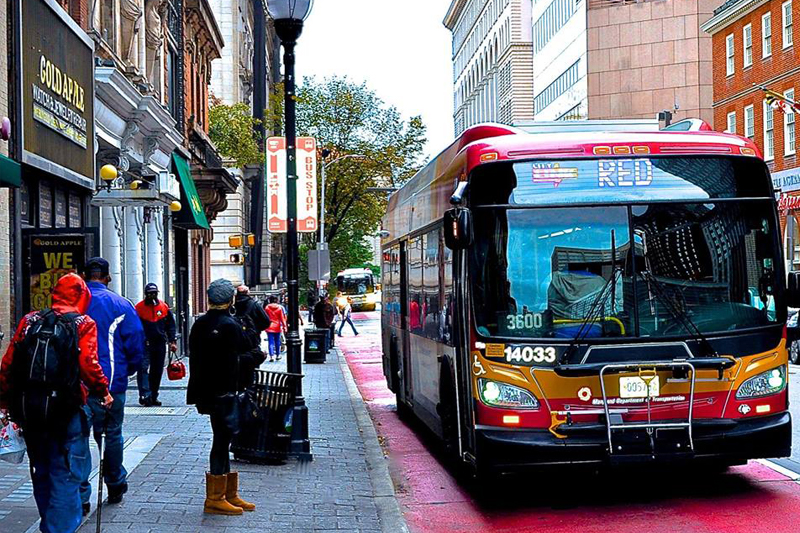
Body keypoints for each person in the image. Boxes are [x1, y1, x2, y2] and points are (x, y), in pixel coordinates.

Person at [0, 273, 112, 533]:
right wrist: (103, 392)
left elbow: (8, 363)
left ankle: (49, 522)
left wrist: (5, 400)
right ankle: (57, 528)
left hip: (31, 410)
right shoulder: (83, 323)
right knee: (66, 473)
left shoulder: (30, 320)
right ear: (82, 295)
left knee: (41, 470)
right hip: (66, 410)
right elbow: (89, 365)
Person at [80, 258, 146, 512]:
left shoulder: (74, 304)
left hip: (77, 385)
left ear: (84, 276)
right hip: (110, 383)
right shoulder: (121, 304)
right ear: (107, 277)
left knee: (78, 438)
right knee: (111, 434)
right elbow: (136, 343)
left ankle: (81, 494)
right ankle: (115, 483)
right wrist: (127, 371)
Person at [187, 279, 256, 515]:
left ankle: (228, 493)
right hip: (225, 391)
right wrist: (256, 357)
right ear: (231, 300)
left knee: (223, 438)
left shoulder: (199, 324)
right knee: (222, 439)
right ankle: (216, 497)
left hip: (207, 391)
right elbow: (240, 355)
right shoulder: (230, 324)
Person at [135, 283, 177, 406]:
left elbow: (170, 325)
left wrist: (172, 341)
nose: (152, 296)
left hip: (159, 343)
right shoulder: (139, 308)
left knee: (157, 370)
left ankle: (153, 395)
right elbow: (135, 327)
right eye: (149, 293)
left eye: (154, 293)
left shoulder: (163, 307)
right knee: (143, 368)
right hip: (145, 343)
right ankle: (145, 394)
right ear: (145, 294)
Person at [264, 296, 287, 362]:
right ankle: (278, 355)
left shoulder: (267, 307)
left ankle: (271, 356)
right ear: (277, 300)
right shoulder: (279, 308)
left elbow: (265, 317)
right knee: (277, 341)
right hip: (277, 326)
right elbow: (282, 318)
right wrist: (285, 327)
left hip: (269, 326)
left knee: (270, 342)